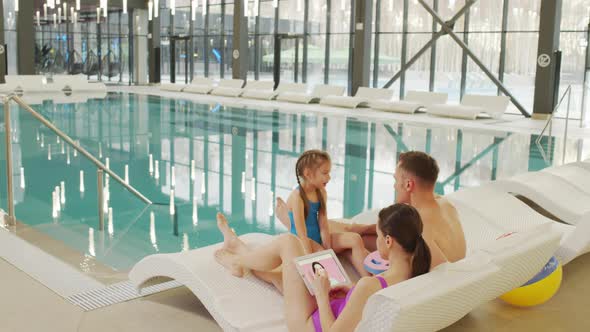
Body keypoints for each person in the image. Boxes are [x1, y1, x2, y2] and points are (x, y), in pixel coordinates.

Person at [214, 203, 431, 332]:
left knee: (289, 243)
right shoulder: (416, 272)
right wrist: (351, 291)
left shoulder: (369, 285)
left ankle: (238, 260)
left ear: (389, 241)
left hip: (309, 324)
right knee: (292, 268)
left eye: (379, 234)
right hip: (334, 306)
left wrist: (321, 295)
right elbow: (369, 300)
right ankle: (241, 252)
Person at [276, 150, 466, 269]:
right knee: (353, 233)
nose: (394, 186)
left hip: (432, 274)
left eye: (395, 180)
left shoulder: (421, 229)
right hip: (444, 257)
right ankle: (297, 219)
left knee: (350, 241)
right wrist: (358, 228)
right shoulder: (443, 204)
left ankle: (291, 219)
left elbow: (438, 273)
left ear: (408, 185)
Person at [286, 149, 370, 276]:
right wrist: (310, 258)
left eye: (329, 173)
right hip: (302, 243)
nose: (329, 177)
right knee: (325, 262)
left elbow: (323, 225)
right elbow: (301, 233)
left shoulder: (321, 192)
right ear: (308, 174)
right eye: (325, 173)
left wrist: (328, 249)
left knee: (355, 239)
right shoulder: (297, 197)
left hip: (319, 239)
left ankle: (367, 278)